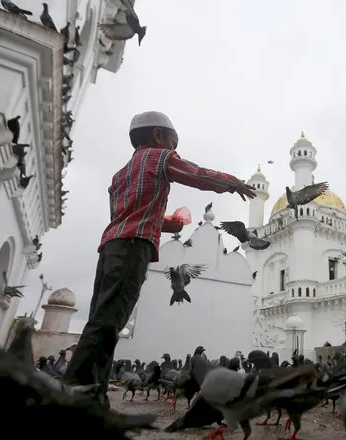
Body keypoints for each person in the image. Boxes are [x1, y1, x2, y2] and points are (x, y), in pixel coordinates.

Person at [62, 111, 255, 409]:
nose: (174, 149)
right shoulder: (159, 158)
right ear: (157, 136)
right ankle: (75, 393)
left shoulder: (120, 174)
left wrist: (169, 224)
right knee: (109, 323)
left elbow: (127, 214)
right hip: (132, 247)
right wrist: (233, 183)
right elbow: (197, 174)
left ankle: (91, 392)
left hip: (110, 245)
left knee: (100, 321)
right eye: (172, 142)